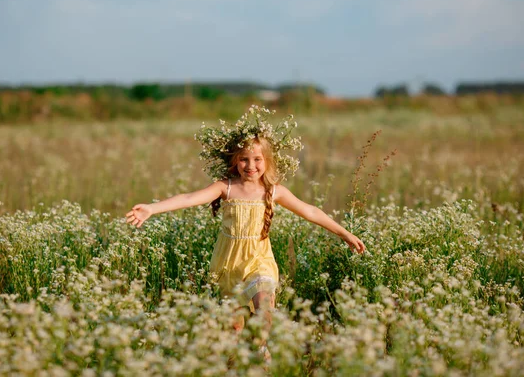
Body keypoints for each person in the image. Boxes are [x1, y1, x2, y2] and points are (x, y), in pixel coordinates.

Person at [125, 106, 366, 363]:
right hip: (229, 263)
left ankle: (261, 349)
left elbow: (311, 212)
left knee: (264, 306)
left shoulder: (274, 191)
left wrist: (345, 234)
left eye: (257, 159)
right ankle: (245, 357)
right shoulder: (225, 188)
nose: (250, 165)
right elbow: (189, 198)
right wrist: (152, 208)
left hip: (259, 260)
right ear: (234, 162)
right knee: (236, 328)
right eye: (244, 159)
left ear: (267, 161)